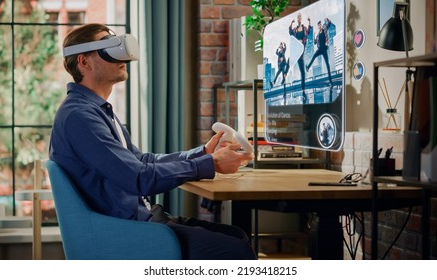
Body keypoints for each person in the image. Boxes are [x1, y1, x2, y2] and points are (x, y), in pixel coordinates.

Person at [49, 23, 256, 260]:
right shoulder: (80, 116)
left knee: (237, 236)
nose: (123, 56)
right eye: (109, 48)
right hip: (123, 231)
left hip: (140, 217)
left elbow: (141, 161)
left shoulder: (96, 110)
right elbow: (138, 178)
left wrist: (201, 154)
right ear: (83, 62)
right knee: (235, 249)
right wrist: (210, 164)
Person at [306, 18, 333, 86]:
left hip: (324, 49)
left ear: (321, 25)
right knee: (314, 56)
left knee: (327, 64)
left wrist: (327, 19)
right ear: (318, 27)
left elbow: (329, 23)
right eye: (319, 25)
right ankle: (308, 67)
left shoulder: (324, 30)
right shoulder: (318, 35)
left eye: (320, 25)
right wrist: (314, 36)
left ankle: (330, 81)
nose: (320, 26)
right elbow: (315, 43)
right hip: (319, 49)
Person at [289, 13, 311, 91]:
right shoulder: (294, 30)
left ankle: (303, 88)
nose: (299, 18)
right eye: (298, 17)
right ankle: (284, 76)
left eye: (300, 17)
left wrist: (309, 22)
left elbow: (308, 32)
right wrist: (291, 23)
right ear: (297, 19)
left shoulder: (304, 28)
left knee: (302, 72)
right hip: (296, 52)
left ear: (301, 18)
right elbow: (290, 33)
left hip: (301, 53)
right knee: (289, 63)